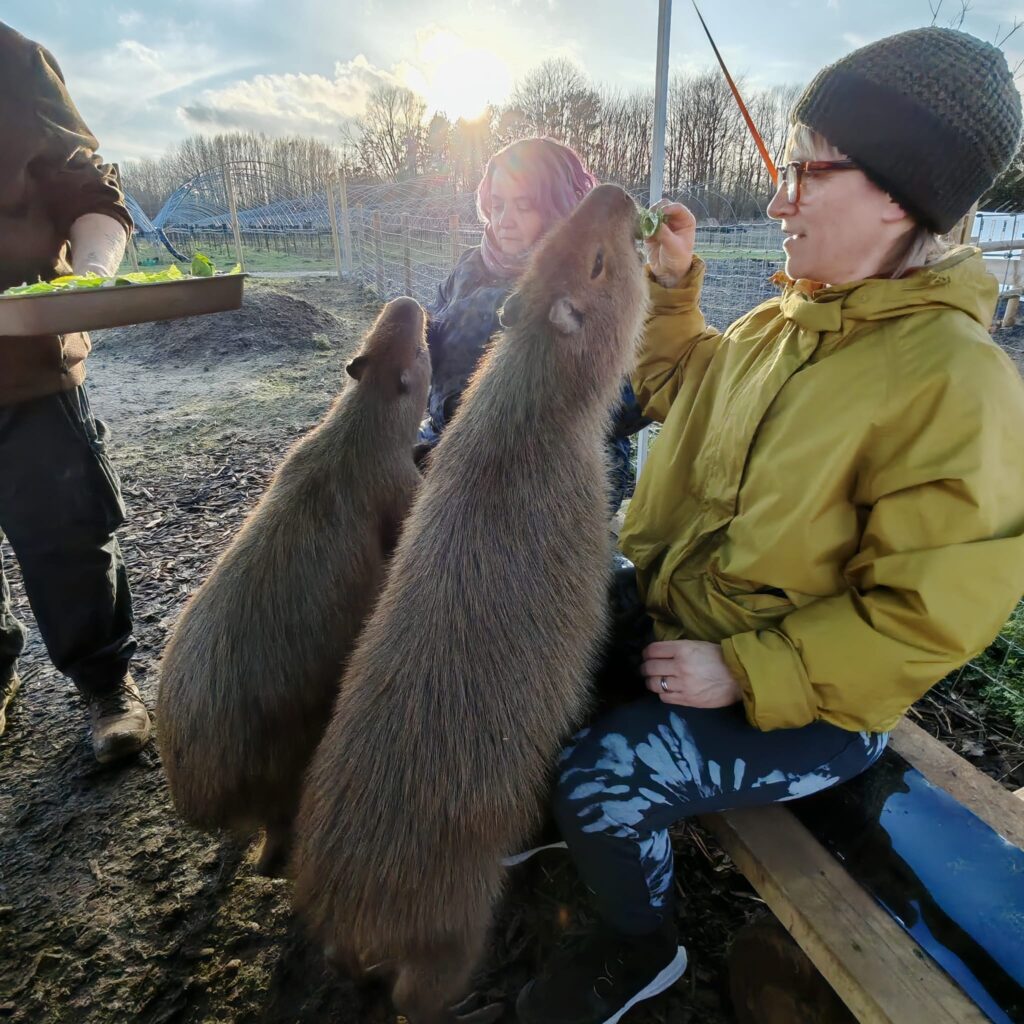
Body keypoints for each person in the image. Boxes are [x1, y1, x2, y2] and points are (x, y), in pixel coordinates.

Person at [516, 26, 1024, 1024]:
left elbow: (926, 618)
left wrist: (747, 670)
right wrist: (669, 292)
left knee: (605, 773)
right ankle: (552, 823)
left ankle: (641, 955)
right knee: (543, 627)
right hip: (689, 614)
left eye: (806, 172)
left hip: (819, 703)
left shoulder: (955, 382)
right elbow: (670, 384)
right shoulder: (778, 323)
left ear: (897, 194)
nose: (777, 197)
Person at [0, 21, 150, 763]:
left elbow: (90, 189)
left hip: (23, 363)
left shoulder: (15, 61)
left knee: (65, 530)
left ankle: (104, 683)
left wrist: (91, 277)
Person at [416, 136, 649, 511]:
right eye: (497, 204)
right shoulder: (469, 269)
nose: (505, 221)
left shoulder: (594, 277)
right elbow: (430, 351)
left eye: (524, 206)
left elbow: (631, 396)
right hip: (456, 445)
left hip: (551, 469)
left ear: (558, 206)